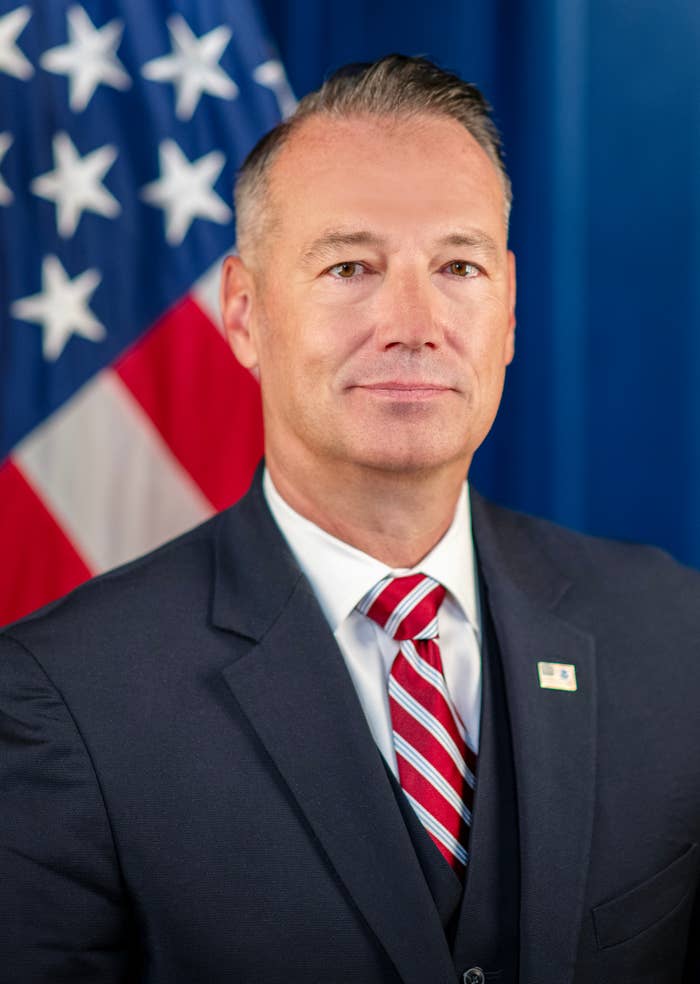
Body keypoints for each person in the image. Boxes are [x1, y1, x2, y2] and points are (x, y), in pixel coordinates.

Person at [1, 54, 699, 984]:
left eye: (457, 265)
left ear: (511, 308)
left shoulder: (672, 629)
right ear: (244, 314)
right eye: (349, 266)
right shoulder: (64, 697)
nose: (413, 323)